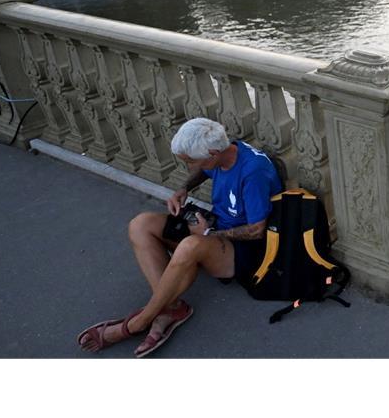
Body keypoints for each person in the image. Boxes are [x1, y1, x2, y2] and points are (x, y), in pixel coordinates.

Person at [77, 118, 282, 357]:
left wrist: (207, 234)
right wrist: (184, 188)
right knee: (141, 224)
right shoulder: (224, 151)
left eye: (190, 161)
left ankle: (138, 323)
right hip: (214, 228)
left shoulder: (252, 172)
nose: (188, 165)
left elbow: (257, 230)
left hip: (246, 249)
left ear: (213, 153)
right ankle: (171, 308)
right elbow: (203, 171)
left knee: (188, 246)